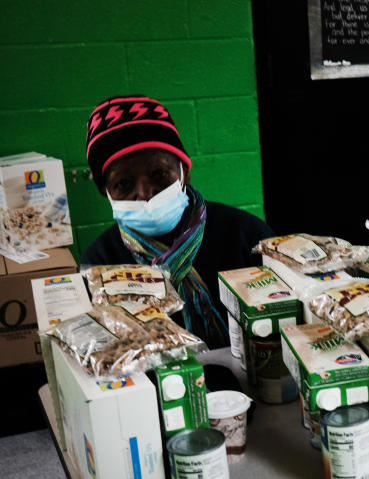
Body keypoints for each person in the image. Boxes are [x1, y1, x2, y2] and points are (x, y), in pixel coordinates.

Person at [81, 95, 273, 349]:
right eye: (123, 184)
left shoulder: (246, 236)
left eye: (159, 174)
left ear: (185, 171)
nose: (146, 193)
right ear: (105, 192)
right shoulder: (100, 264)